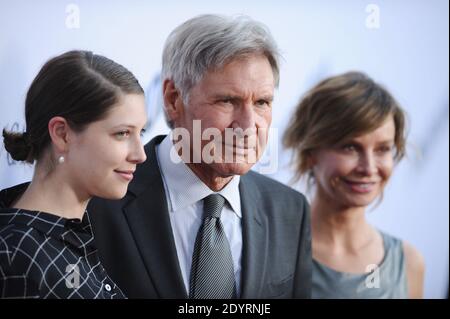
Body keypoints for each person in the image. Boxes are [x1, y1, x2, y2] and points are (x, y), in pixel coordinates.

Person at [88, 14, 311, 299]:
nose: (247, 125)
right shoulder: (98, 205)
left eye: (262, 103)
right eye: (227, 101)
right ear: (172, 99)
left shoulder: (290, 211)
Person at [0, 50, 147, 298]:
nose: (140, 155)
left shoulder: (69, 232)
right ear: (62, 134)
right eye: (122, 133)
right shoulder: (17, 258)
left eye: (140, 133)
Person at [283, 71, 425, 298]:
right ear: (311, 152)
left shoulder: (408, 262)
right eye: (350, 147)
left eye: (383, 149)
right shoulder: (274, 252)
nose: (368, 168)